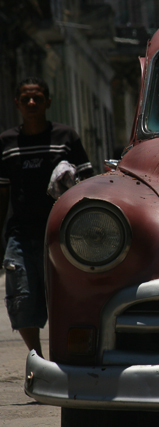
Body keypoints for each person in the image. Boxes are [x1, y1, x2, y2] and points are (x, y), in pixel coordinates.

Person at [0, 77, 93, 357]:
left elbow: (89, 181)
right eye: (26, 98)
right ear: (17, 103)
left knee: (67, 299)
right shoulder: (7, 143)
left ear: (48, 102)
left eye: (37, 98)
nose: (32, 103)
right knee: (22, 298)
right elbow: (2, 193)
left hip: (63, 235)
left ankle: (64, 358)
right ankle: (37, 358)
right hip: (21, 234)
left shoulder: (65, 137)